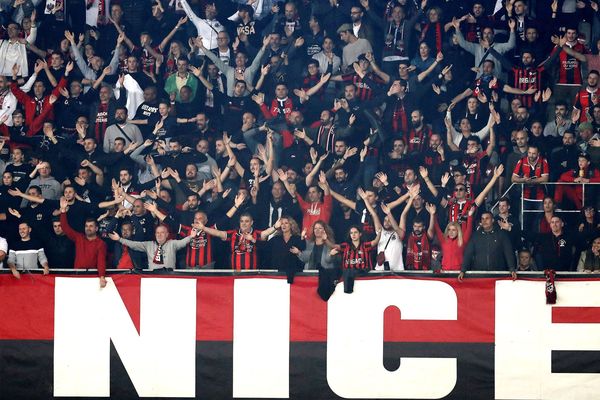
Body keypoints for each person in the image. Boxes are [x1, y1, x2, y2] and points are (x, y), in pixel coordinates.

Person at [197, 213, 281, 270]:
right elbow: (218, 233)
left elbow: (266, 232)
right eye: (242, 221)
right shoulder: (233, 234)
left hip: (252, 273)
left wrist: (275, 227)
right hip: (235, 273)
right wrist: (204, 228)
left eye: (247, 221)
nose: (244, 223)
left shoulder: (256, 234)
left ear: (251, 222)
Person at [59, 198, 107, 288]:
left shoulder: (100, 243)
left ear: (96, 229)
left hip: (92, 277)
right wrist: (63, 211)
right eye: (86, 226)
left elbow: (101, 261)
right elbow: (65, 228)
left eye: (91, 226)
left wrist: (102, 277)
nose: (88, 228)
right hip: (77, 276)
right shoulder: (79, 238)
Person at [108, 224, 197, 271]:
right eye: (157, 233)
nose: (159, 235)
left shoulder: (172, 243)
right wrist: (119, 239)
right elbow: (133, 244)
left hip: (169, 276)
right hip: (152, 277)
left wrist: (191, 237)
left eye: (162, 232)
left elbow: (182, 242)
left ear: (167, 235)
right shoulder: (149, 244)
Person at [459, 211, 517, 281]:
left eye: (487, 218)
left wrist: (512, 269)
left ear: (492, 220)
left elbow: (508, 252)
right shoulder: (475, 236)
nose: (484, 221)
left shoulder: (502, 234)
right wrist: (463, 270)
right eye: (482, 219)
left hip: (498, 275)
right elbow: (468, 253)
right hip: (479, 275)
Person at [292, 220, 338, 300]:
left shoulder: (329, 243)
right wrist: (298, 252)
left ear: (324, 230)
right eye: (315, 228)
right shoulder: (310, 243)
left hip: (324, 278)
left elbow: (328, 260)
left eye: (320, 228)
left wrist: (330, 254)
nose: (317, 230)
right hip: (310, 276)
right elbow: (305, 258)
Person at [429, 203, 475, 271]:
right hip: (445, 271)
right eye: (449, 230)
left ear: (458, 231)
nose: (451, 232)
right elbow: (437, 228)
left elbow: (469, 229)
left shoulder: (462, 240)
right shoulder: (443, 240)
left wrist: (470, 216)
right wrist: (433, 214)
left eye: (453, 230)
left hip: (458, 272)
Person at [268, 215, 305, 283]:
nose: (283, 225)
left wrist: (298, 252)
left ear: (291, 225)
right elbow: (264, 247)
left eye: (286, 223)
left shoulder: (298, 239)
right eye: (282, 223)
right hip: (277, 276)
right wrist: (253, 240)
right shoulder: (276, 239)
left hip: (294, 277)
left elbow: (305, 257)